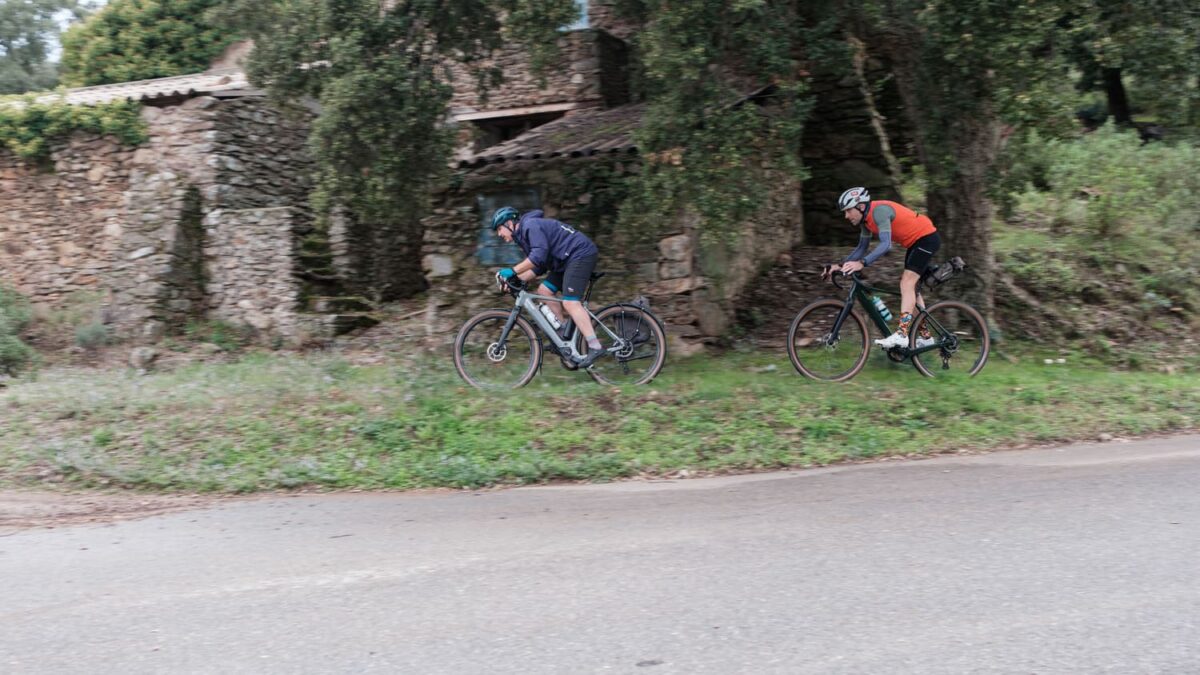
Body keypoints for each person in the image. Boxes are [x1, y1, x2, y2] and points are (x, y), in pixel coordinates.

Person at [490, 206, 606, 367]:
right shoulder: (523, 235)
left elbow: (537, 257)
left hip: (579, 254)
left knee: (570, 302)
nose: (499, 234)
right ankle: (563, 337)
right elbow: (540, 265)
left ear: (509, 223)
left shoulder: (530, 226)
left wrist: (512, 271)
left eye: (500, 229)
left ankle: (594, 346)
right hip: (564, 261)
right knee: (544, 291)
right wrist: (517, 279)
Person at [825, 187, 939, 349]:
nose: (846, 216)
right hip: (915, 242)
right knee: (912, 291)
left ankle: (902, 334)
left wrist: (862, 263)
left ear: (861, 207)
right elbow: (861, 248)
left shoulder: (878, 212)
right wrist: (839, 266)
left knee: (906, 284)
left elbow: (886, 245)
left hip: (926, 238)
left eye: (849, 210)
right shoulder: (866, 222)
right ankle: (926, 338)